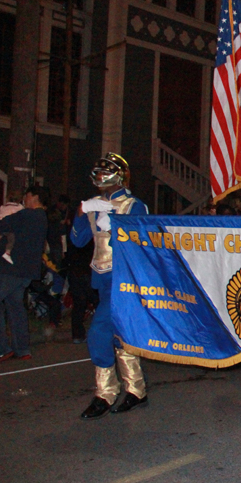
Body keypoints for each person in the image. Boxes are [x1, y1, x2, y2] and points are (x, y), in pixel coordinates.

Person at [71, 153, 150, 419]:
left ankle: (105, 392)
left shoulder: (133, 205)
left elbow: (140, 244)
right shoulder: (95, 204)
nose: (100, 178)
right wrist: (82, 213)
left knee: (98, 332)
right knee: (119, 335)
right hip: (102, 277)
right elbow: (79, 240)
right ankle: (136, 390)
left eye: (106, 172)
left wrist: (115, 225)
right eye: (98, 172)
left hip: (124, 279)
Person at [0, 185, 49, 363]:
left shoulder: (27, 214)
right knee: (15, 306)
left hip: (8, 269)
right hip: (25, 271)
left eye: (27, 196)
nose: (24, 200)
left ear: (34, 197)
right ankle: (22, 348)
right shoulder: (42, 218)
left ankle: (0, 348)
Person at [0, 193, 24, 264]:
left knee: (4, 233)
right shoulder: (19, 207)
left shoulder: (3, 206)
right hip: (6, 224)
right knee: (11, 238)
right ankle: (7, 252)